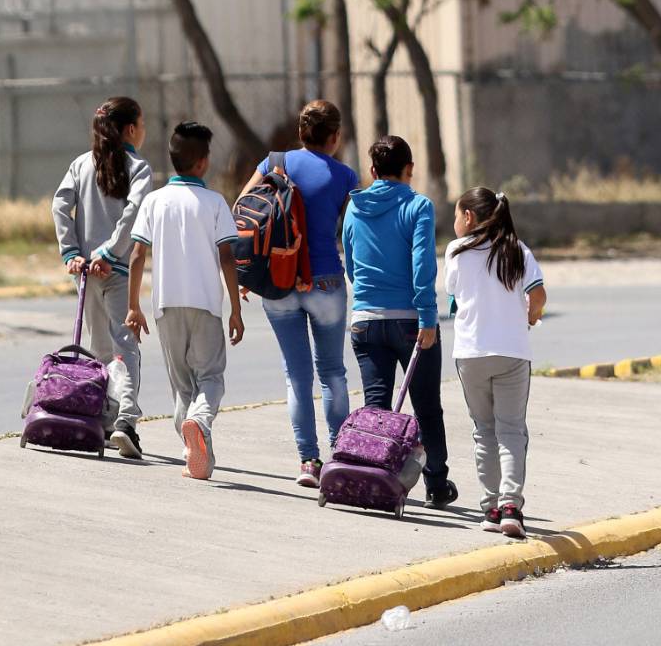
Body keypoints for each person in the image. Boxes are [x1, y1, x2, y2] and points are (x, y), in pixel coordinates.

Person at [236, 99, 359, 486]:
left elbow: (242, 211)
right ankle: (341, 453)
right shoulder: (345, 177)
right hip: (325, 282)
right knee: (333, 373)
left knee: (296, 376)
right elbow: (351, 230)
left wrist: (245, 274)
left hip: (278, 281)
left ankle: (308, 460)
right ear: (335, 136)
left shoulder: (273, 163)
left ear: (301, 131)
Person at [342, 134, 457, 510]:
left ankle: (370, 477)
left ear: (373, 171)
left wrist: (367, 299)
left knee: (376, 408)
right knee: (426, 406)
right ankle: (436, 484)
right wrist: (427, 316)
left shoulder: (355, 207)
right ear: (410, 170)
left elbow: (351, 263)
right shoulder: (418, 206)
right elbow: (422, 265)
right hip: (411, 320)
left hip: (366, 319)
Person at [125, 121, 245, 482]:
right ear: (203, 163)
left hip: (165, 305)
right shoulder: (214, 203)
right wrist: (236, 309)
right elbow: (227, 257)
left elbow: (136, 255)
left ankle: (191, 449)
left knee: (181, 384)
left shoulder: (154, 201)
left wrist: (134, 306)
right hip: (206, 303)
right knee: (210, 378)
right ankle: (200, 422)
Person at [51, 94, 152, 460]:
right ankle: (125, 421)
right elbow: (133, 213)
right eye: (142, 124)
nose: (144, 131)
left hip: (85, 275)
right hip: (118, 270)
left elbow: (60, 205)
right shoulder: (138, 168)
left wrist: (72, 252)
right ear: (130, 129)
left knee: (97, 350)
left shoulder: (81, 164)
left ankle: (99, 418)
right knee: (126, 348)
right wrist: (110, 252)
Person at [445, 186, 546, 540]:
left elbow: (454, 293)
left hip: (470, 353)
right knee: (511, 430)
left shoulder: (456, 250)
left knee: (483, 429)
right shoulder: (519, 251)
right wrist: (530, 318)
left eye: (457, 214)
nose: (454, 222)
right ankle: (510, 507)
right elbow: (538, 295)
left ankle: (489, 507)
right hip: (513, 352)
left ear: (469, 217)